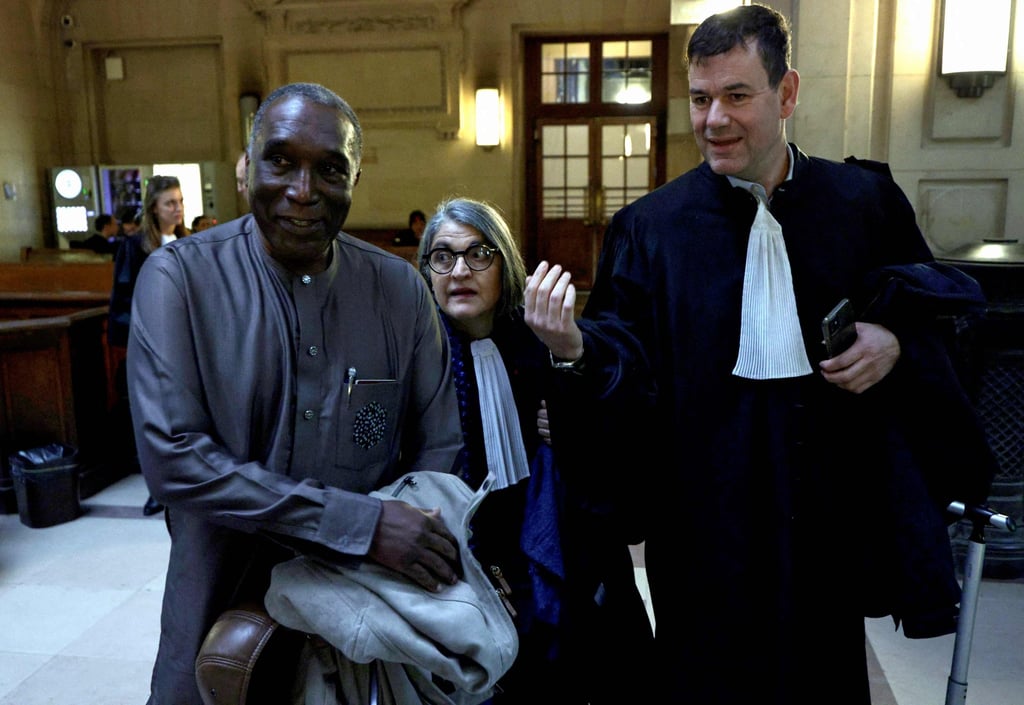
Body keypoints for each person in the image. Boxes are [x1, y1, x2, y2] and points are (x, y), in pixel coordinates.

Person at [523, 5, 998, 704]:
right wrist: (573, 350)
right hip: (701, 527)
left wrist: (897, 343)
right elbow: (624, 361)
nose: (714, 119)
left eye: (737, 96)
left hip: (828, 521)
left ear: (788, 92)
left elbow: (947, 315)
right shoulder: (649, 230)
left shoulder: (863, 204)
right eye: (700, 99)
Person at [127, 82, 463, 705]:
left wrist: (398, 533)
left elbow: (438, 446)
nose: (303, 191)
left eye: (330, 169)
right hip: (218, 603)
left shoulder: (398, 291)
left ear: (354, 178)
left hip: (366, 610)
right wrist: (358, 524)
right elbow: (174, 458)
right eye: (281, 161)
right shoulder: (179, 279)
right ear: (248, 166)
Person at [417, 197, 654, 704]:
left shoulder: (542, 341)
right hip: (463, 566)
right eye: (443, 256)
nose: (460, 270)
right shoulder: (418, 359)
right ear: (427, 271)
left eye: (479, 254)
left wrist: (571, 404)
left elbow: (620, 435)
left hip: (555, 552)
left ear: (505, 264)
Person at [109, 175, 190, 517]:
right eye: (170, 203)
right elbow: (124, 296)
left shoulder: (189, 241)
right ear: (154, 208)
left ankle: (186, 480)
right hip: (151, 342)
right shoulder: (134, 246)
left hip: (185, 342)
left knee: (184, 415)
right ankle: (157, 487)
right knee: (153, 418)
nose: (178, 209)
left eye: (180, 201)